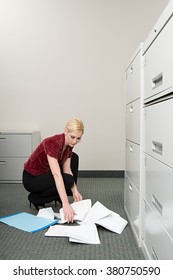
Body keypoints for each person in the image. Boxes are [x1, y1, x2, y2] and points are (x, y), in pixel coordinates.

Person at [22, 118, 84, 223]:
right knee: (67, 180)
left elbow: (67, 169)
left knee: (74, 159)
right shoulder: (52, 143)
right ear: (66, 131)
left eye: (78, 138)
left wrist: (75, 191)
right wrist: (66, 204)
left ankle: (57, 195)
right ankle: (36, 198)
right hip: (32, 178)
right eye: (72, 137)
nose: (75, 141)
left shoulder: (69, 145)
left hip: (46, 174)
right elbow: (56, 174)